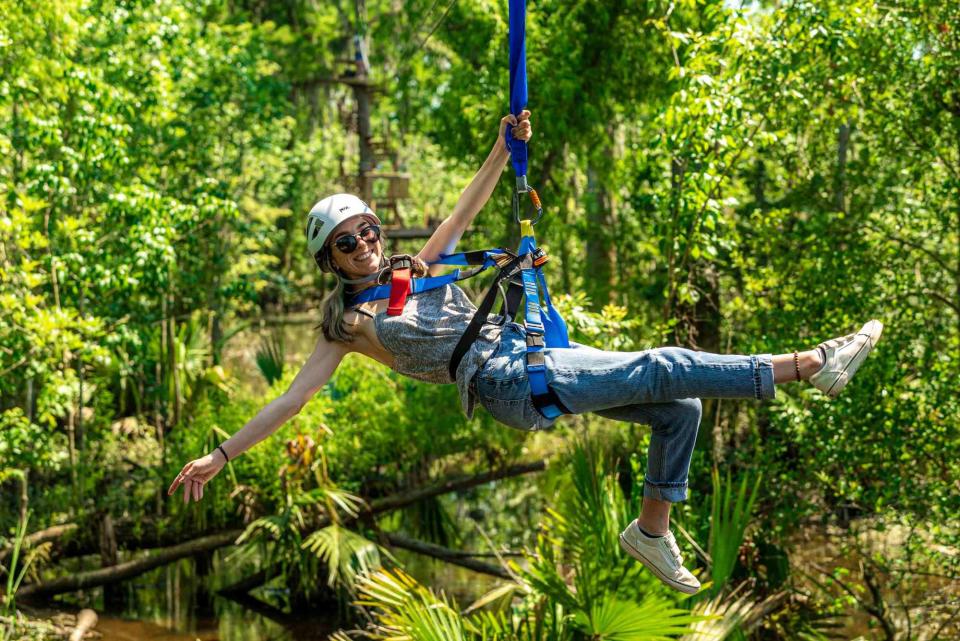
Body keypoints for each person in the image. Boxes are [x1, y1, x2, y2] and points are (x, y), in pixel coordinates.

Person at [168, 110, 883, 595]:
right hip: (506, 379)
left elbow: (463, 211)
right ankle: (811, 363)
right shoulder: (347, 325)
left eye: (369, 231)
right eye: (347, 244)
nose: (365, 245)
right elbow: (292, 400)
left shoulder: (417, 270)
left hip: (527, 350)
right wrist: (222, 454)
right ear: (332, 262)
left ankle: (651, 530)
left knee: (680, 407)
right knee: (662, 361)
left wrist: (505, 145)